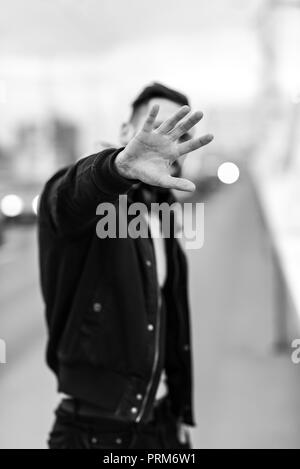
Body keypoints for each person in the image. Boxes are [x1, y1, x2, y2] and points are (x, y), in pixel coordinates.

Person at [38, 82, 213, 449]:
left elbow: (168, 317)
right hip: (94, 434)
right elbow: (65, 197)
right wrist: (116, 168)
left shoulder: (162, 212)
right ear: (123, 133)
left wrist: (178, 413)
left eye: (183, 133)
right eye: (160, 126)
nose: (171, 140)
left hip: (160, 425)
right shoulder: (92, 199)